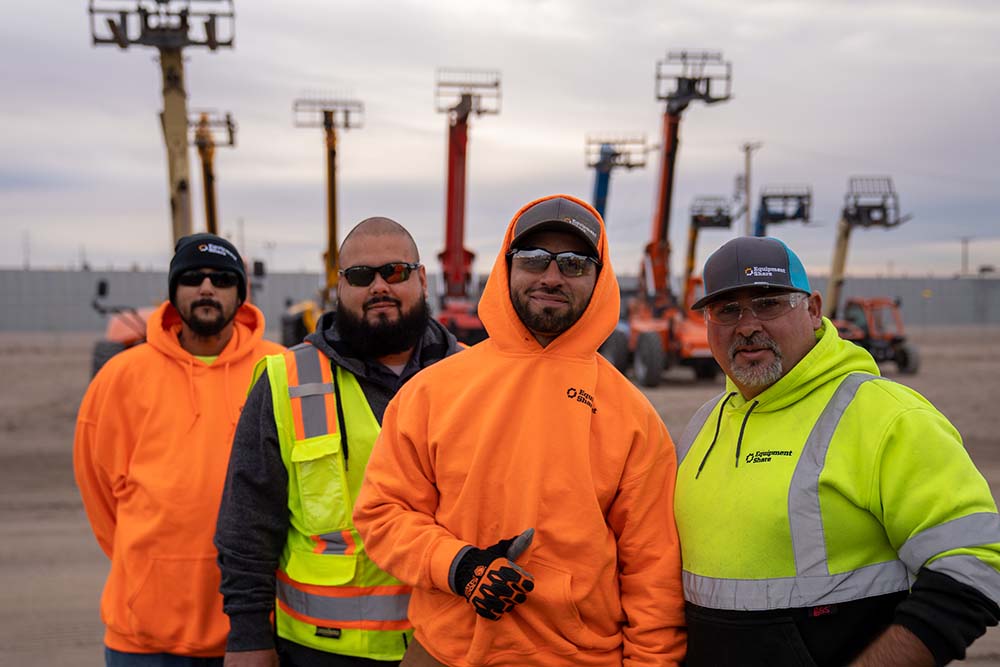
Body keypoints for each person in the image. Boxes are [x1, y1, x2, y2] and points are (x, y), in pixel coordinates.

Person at [353, 194, 686, 667]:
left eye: (573, 263)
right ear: (507, 268)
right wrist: (459, 566)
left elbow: (653, 572)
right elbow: (383, 514)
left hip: (579, 657)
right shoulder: (433, 391)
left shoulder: (633, 417)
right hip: (446, 651)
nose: (551, 276)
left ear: (600, 277)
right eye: (533, 259)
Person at [674, 235, 1000, 667]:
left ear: (813, 310)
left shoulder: (887, 416)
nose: (747, 324)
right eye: (727, 310)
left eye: (769, 303)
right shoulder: (703, 425)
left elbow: (974, 563)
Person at [214, 217, 461, 666]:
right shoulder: (284, 381)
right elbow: (246, 522)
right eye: (361, 276)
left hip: (450, 645)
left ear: (422, 279)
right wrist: (248, 638)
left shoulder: (474, 379)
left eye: (395, 272)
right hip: (321, 649)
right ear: (339, 287)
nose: (379, 286)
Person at [74, 233, 285, 665]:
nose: (207, 287)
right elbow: (99, 492)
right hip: (144, 638)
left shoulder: (280, 370)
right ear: (174, 292)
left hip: (254, 634)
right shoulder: (121, 377)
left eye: (222, 279)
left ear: (240, 295)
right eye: (192, 277)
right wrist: (148, 569)